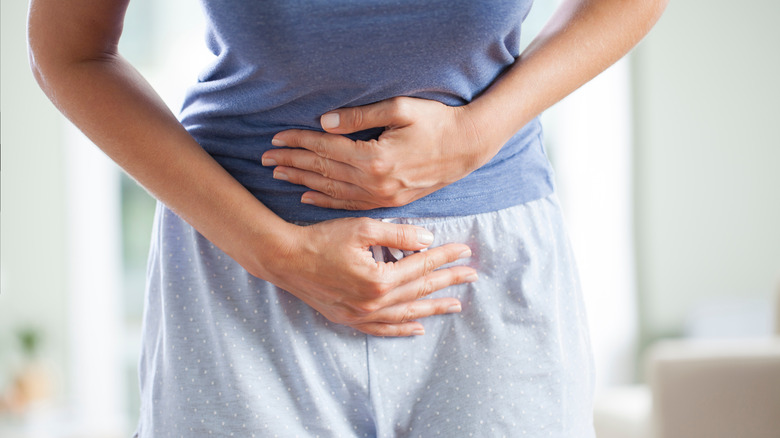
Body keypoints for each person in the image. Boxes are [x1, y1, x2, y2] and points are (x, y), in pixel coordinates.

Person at [28, 0, 667, 436]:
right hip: (246, 277)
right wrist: (276, 254)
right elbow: (69, 53)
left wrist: (477, 132)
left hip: (484, 271)